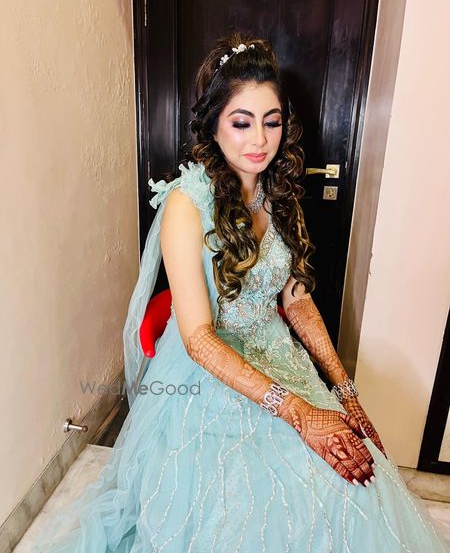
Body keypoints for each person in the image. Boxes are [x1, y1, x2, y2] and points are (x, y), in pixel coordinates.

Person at [32, 31, 449, 552]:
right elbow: (199, 339)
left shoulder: (278, 191)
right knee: (245, 510)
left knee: (350, 476)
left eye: (272, 122)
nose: (260, 140)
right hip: (207, 372)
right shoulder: (187, 205)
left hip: (277, 353)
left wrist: (345, 392)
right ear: (213, 125)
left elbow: (295, 299)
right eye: (241, 122)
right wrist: (299, 412)